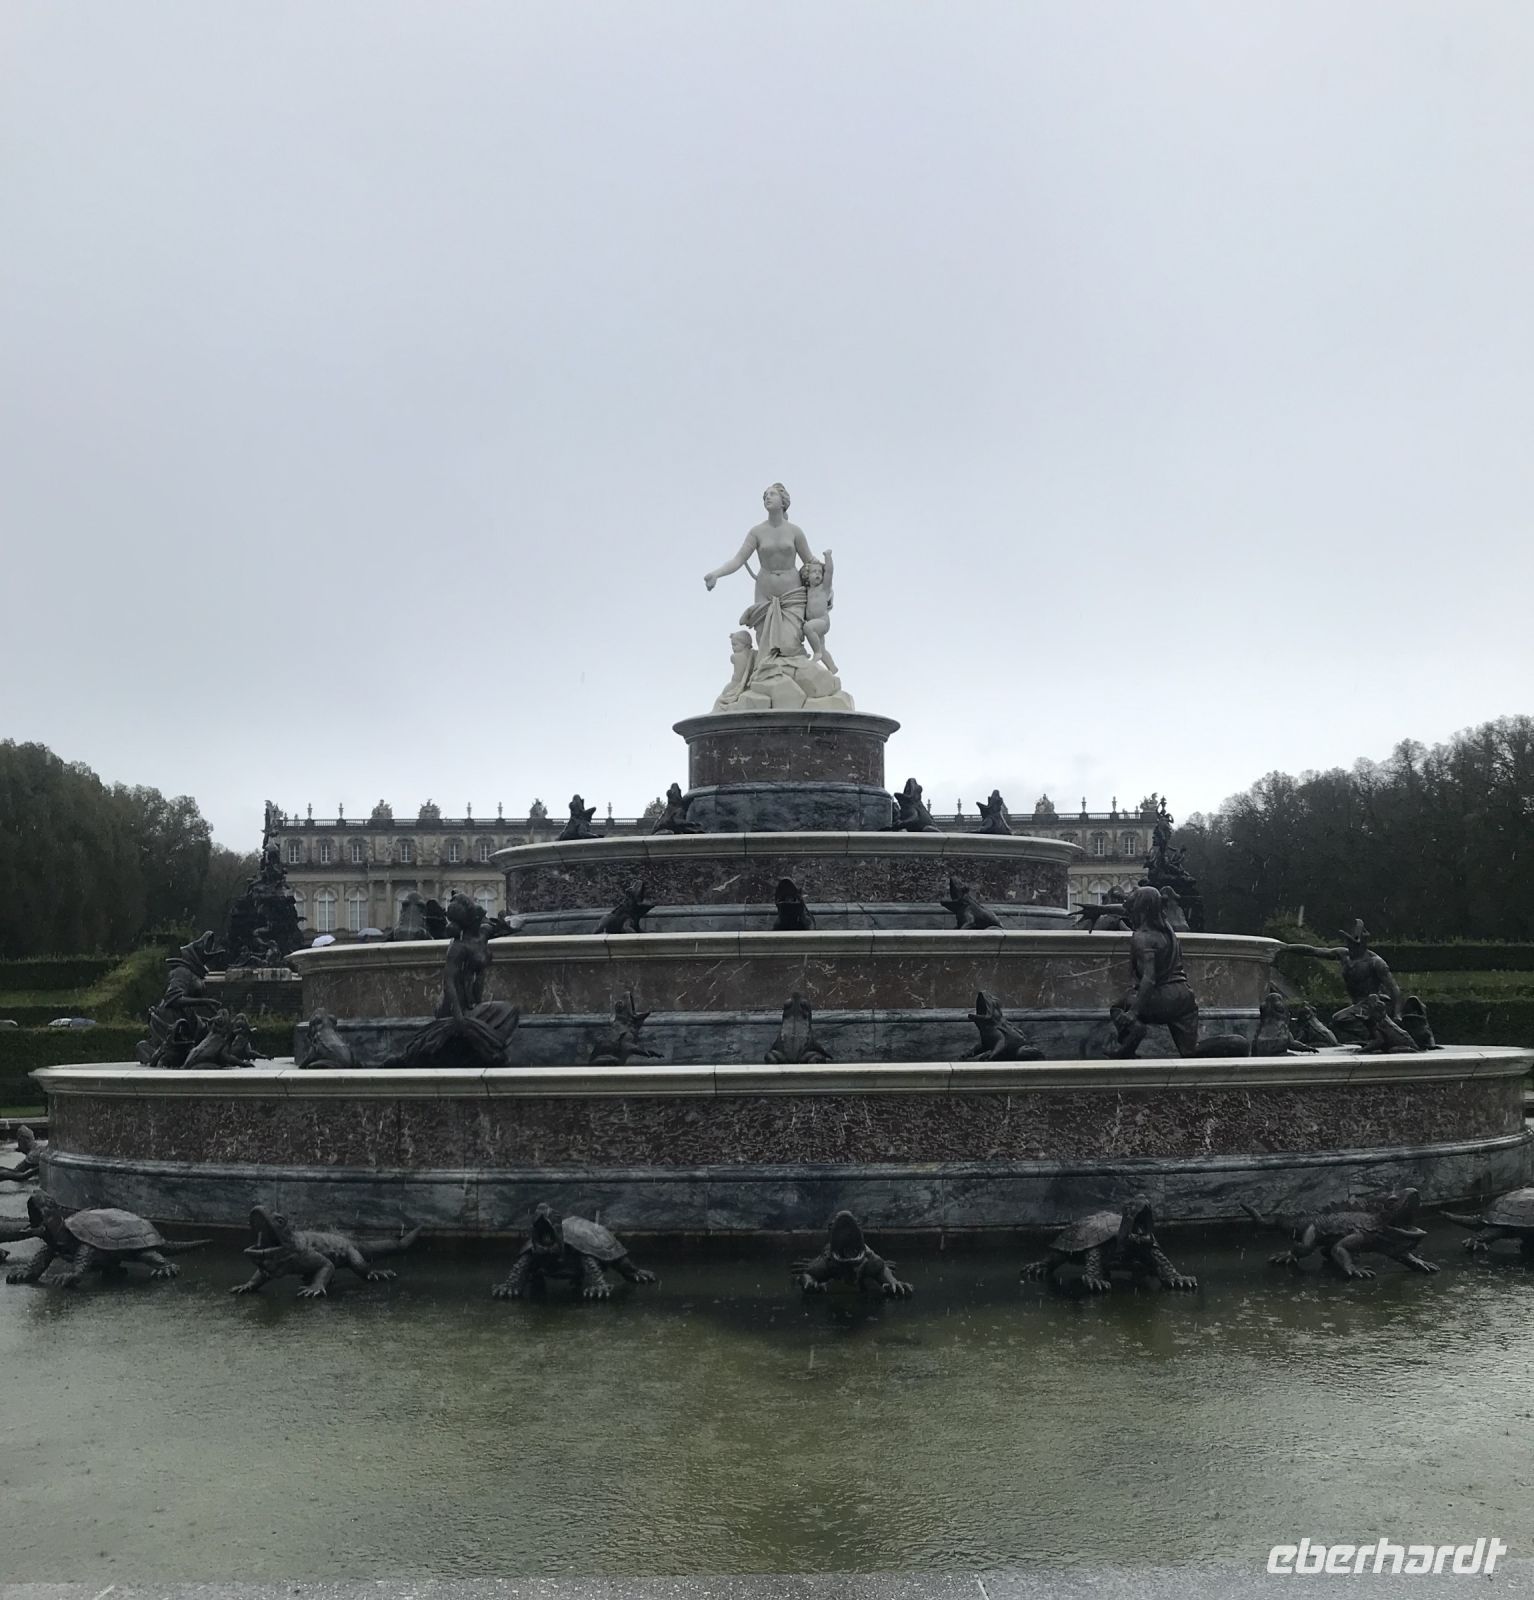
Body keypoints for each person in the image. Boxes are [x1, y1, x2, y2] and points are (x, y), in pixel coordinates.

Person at [703, 483, 818, 660]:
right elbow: (738, 560)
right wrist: (716, 574)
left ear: (783, 501)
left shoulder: (795, 531)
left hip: (791, 592)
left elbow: (810, 560)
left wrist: (826, 585)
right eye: (765, 496)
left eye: (772, 494)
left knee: (791, 642)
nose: (768, 498)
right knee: (765, 643)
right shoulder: (757, 532)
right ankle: (766, 676)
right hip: (765, 591)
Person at [1109, 886, 1200, 1058]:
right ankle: (1235, 1044)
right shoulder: (1168, 930)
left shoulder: (1142, 937)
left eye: (1133, 897)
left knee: (1118, 1007)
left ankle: (1134, 1034)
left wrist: (1134, 1012)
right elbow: (1127, 908)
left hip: (1162, 998)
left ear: (1139, 906)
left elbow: (1149, 979)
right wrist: (1099, 909)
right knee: (1191, 1051)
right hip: (1185, 996)